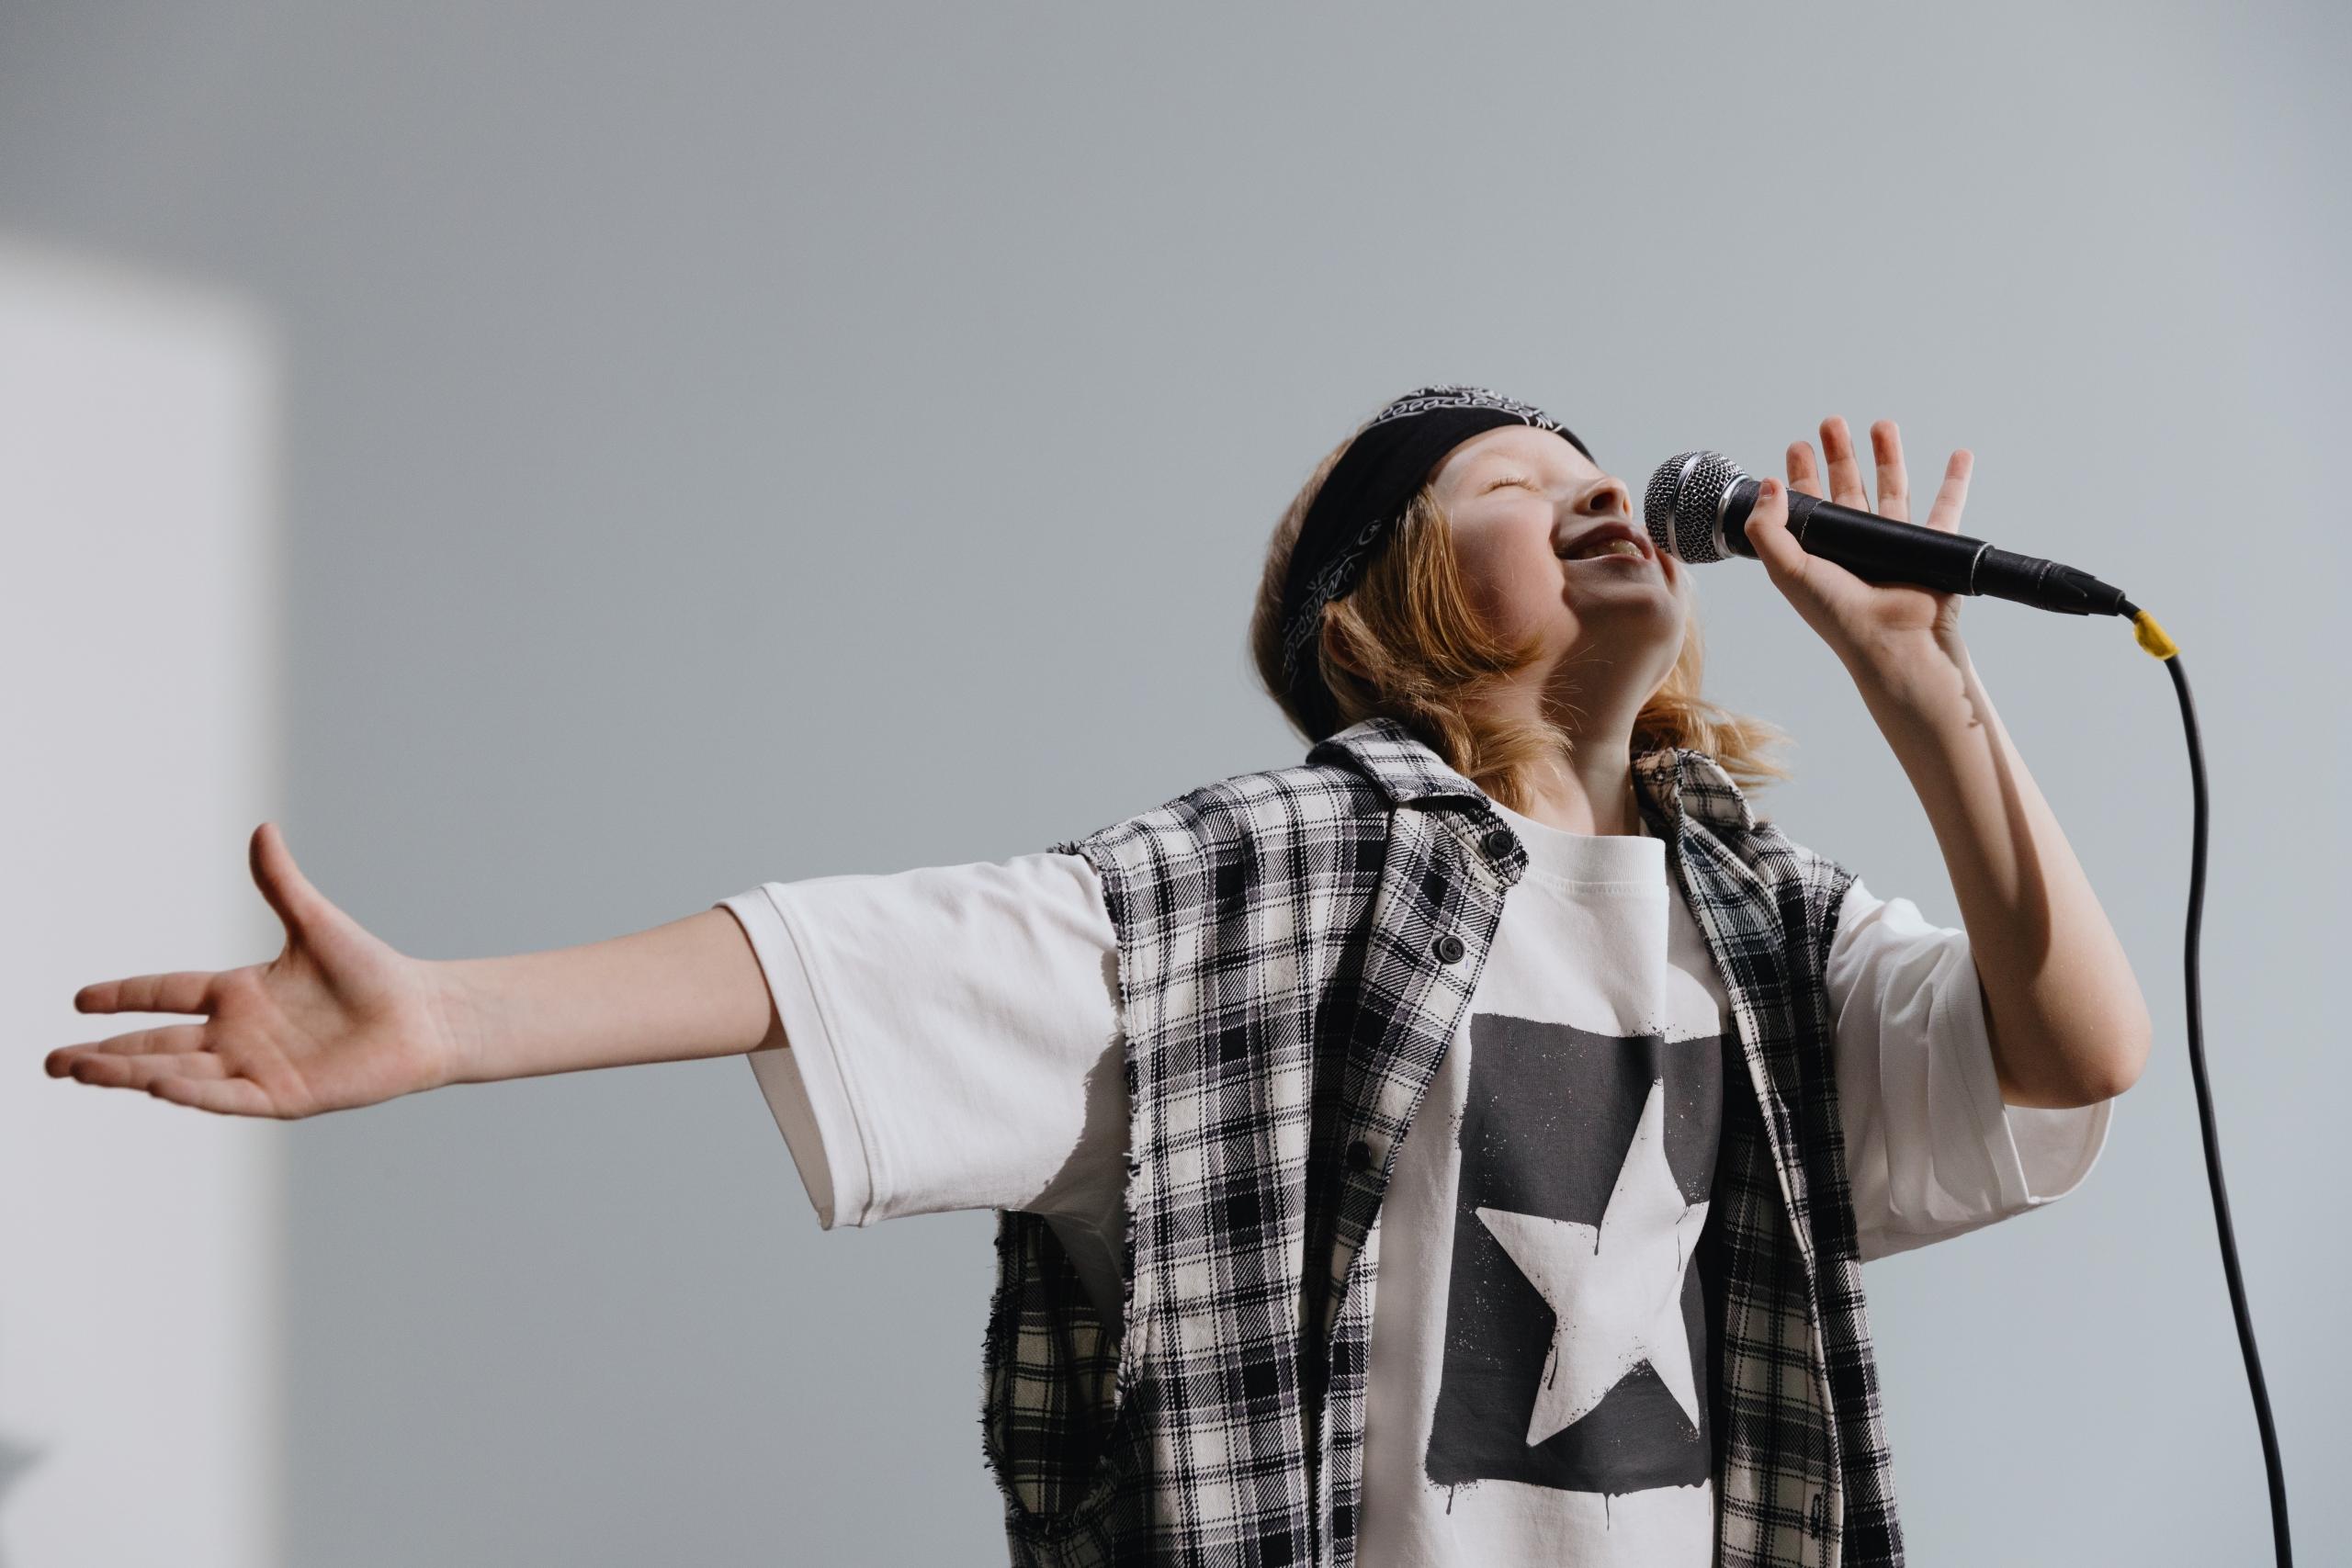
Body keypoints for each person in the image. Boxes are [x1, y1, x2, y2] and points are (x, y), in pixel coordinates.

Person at [45, 386, 2151, 1568]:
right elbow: (846, 957)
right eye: (1510, 482)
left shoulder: (1765, 930)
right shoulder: (1248, 900)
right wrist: (443, 1015)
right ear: (1380, 610)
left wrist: (1925, 700)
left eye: (1596, 459)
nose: (1599, 486)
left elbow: (2072, 1050)